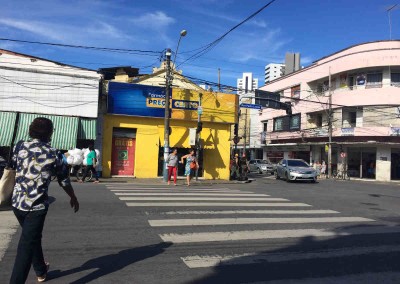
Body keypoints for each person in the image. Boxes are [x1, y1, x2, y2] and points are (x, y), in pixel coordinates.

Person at [10, 117, 79, 284]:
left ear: (31, 130)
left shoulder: (19, 146)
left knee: (31, 238)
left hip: (17, 204)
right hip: (36, 208)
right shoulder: (54, 154)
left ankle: (41, 270)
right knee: (25, 247)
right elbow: (64, 180)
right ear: (50, 133)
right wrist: (73, 197)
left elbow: (13, 167)